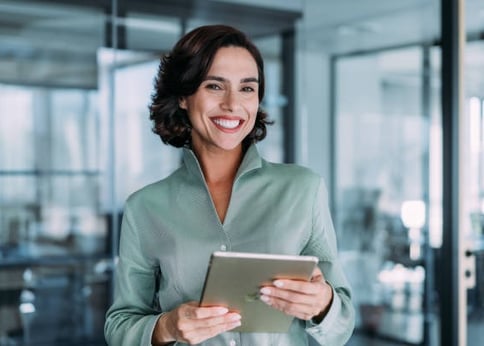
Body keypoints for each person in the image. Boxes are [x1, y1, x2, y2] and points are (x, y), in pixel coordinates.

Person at [104, 24, 354, 346]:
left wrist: (323, 305)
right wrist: (167, 327)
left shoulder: (304, 190)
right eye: (215, 86)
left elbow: (342, 323)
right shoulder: (145, 208)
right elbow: (120, 325)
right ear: (183, 96)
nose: (233, 104)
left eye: (247, 88)